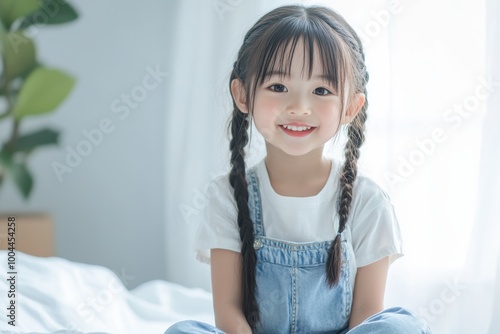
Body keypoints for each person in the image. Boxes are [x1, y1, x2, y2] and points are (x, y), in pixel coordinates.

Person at [166, 4, 431, 334]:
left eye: (321, 91)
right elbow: (229, 312)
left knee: (398, 326)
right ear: (242, 95)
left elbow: (367, 314)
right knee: (183, 331)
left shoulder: (368, 201)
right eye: (278, 87)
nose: (299, 108)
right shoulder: (228, 196)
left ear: (350, 106)